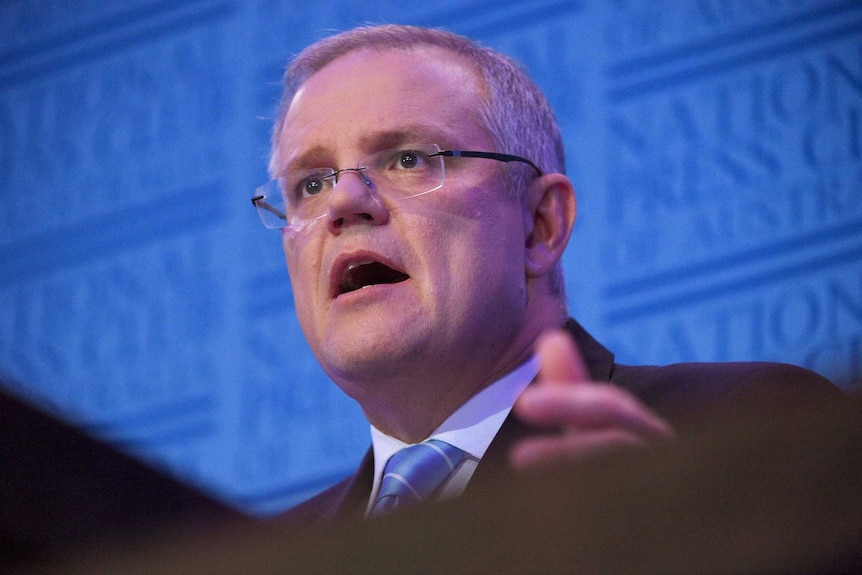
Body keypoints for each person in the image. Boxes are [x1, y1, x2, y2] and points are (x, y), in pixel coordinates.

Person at [251, 24, 838, 526]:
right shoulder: (272, 555)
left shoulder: (736, 437)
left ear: (540, 225)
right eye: (310, 184)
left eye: (410, 159)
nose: (344, 201)